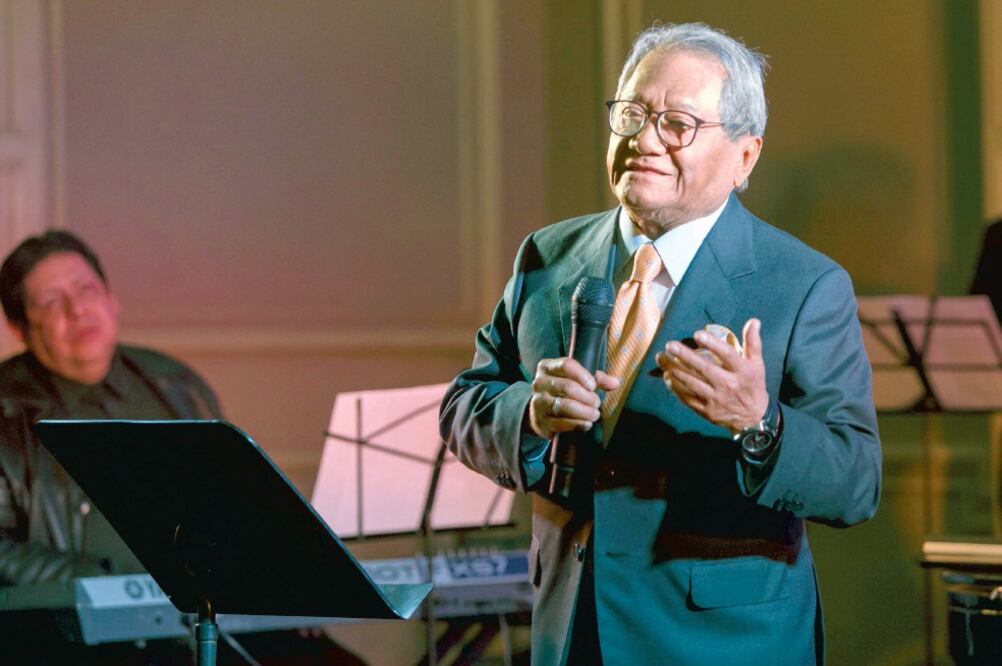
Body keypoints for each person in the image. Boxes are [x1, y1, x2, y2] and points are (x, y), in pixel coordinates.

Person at [440, 22, 881, 665]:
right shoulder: (548, 256)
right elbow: (465, 407)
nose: (643, 140)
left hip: (721, 642)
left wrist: (760, 425)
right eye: (632, 114)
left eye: (677, 123)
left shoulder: (805, 284)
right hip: (570, 629)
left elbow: (856, 482)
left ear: (744, 157)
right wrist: (530, 415)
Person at [0, 230, 361, 665]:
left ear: (112, 300)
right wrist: (101, 584)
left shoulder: (173, 385)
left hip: (197, 614)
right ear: (21, 327)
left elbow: (232, 503)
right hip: (69, 633)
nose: (78, 311)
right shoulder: (6, 410)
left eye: (86, 290)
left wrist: (278, 588)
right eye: (53, 302)